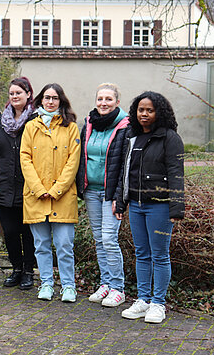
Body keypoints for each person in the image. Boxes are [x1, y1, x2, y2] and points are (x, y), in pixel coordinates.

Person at [115, 91, 184, 324]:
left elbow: (176, 174)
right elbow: (125, 174)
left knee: (160, 255)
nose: (144, 114)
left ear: (159, 113)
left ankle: (158, 303)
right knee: (141, 253)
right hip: (136, 205)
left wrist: (176, 208)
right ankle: (143, 300)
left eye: (150, 110)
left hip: (160, 208)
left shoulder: (170, 138)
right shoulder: (132, 137)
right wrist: (122, 201)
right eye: (141, 110)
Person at [20, 83, 81, 303]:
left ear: (61, 101)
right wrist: (38, 188)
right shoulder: (31, 126)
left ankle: (68, 286)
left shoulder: (71, 127)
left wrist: (56, 190)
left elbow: (73, 162)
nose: (50, 102)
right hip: (36, 196)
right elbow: (25, 158)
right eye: (47, 97)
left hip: (62, 197)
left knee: (64, 245)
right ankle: (46, 283)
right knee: (41, 245)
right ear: (40, 100)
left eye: (55, 98)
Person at [76, 83, 129, 307]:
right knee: (99, 240)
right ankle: (105, 283)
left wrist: (120, 197)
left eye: (108, 99)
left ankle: (118, 288)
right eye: (100, 99)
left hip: (111, 194)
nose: (103, 103)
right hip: (91, 191)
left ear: (117, 102)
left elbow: (125, 165)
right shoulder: (89, 124)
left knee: (109, 239)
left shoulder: (126, 126)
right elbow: (80, 156)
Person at [0, 77, 36, 290]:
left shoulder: (35, 120)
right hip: (4, 184)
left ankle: (28, 271)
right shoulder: (0, 121)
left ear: (28, 95)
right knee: (10, 231)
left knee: (28, 232)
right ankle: (16, 269)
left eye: (19, 93)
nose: (15, 97)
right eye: (12, 93)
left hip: (28, 185)